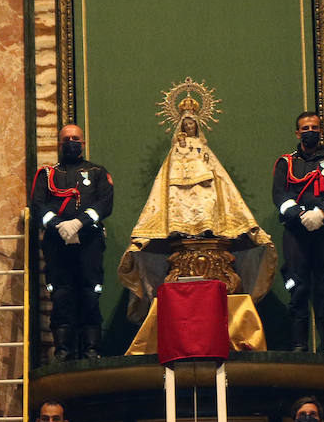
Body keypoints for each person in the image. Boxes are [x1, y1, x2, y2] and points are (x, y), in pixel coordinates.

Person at [119, 89, 277, 321]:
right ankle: (183, 229)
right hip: (178, 194)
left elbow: (219, 178)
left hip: (205, 191)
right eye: (186, 123)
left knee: (206, 204)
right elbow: (166, 180)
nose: (190, 126)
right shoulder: (176, 149)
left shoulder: (204, 149)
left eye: (193, 123)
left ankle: (204, 227)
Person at [31, 124, 114, 360]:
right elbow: (38, 205)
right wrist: (58, 224)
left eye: (75, 138)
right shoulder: (47, 175)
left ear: (83, 142)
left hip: (89, 243)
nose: (71, 142)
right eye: (66, 138)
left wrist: (80, 223)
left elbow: (104, 204)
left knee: (90, 294)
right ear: (59, 144)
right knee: (60, 296)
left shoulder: (98, 172)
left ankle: (92, 352)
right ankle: (63, 353)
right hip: (57, 244)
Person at [272, 112, 324, 352]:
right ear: (297, 132)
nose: (310, 131)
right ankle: (299, 347)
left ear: (321, 131)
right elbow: (280, 196)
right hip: (297, 233)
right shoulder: (286, 163)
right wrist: (301, 215)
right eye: (305, 128)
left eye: (314, 127)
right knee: (298, 287)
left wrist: (322, 213)